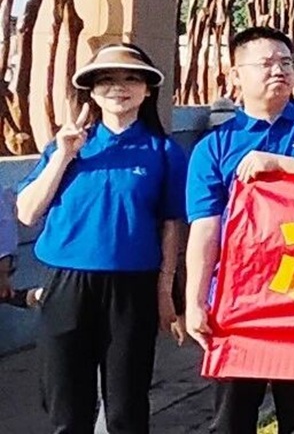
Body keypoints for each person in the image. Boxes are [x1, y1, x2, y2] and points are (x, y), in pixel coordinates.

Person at [185, 27, 294, 434]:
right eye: (266, 63)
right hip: (237, 297)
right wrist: (195, 300)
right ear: (235, 74)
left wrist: (279, 164)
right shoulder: (214, 146)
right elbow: (205, 228)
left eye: (286, 62)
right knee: (231, 418)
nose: (279, 70)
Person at [14, 43, 186, 434]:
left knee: (126, 408)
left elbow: (171, 226)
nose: (118, 87)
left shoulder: (163, 151)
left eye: (131, 78)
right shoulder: (69, 146)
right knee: (66, 406)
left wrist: (165, 291)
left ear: (147, 90)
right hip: (67, 285)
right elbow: (27, 212)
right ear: (91, 92)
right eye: (106, 79)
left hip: (132, 288)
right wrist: (63, 155)